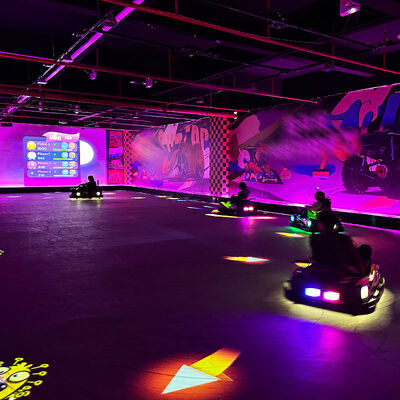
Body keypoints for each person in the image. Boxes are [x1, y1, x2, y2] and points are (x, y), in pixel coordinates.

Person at [310, 211, 365, 276]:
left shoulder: (315, 238)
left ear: (320, 223)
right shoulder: (343, 238)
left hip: (331, 273)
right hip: (336, 273)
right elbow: (355, 257)